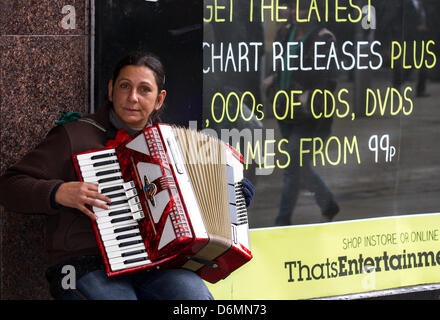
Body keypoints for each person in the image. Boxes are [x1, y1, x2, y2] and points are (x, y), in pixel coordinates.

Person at [0, 52, 255, 300]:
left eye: (144, 89)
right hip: (86, 263)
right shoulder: (74, 135)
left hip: (160, 264)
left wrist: (233, 194)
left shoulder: (174, 147)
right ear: (111, 91)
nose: (132, 98)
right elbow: (9, 186)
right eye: (125, 86)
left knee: (194, 297)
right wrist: (57, 192)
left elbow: (205, 203)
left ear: (159, 99)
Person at [264, 1, 339, 226]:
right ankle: (329, 204)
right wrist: (271, 81)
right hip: (285, 112)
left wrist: (311, 95)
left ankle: (282, 221)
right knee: (300, 168)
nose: (300, 13)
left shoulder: (324, 38)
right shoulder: (285, 33)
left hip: (309, 116)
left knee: (292, 167)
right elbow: (277, 64)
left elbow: (330, 79)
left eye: (305, 8)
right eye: (296, 8)